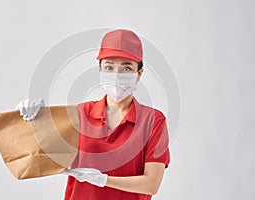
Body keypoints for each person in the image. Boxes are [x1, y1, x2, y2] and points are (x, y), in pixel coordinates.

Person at [16, 29, 170, 200]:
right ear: (101, 71)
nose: (117, 75)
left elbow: (151, 184)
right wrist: (31, 119)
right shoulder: (80, 114)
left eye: (126, 68)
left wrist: (103, 180)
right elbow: (37, 154)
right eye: (109, 67)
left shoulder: (153, 121)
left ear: (139, 74)